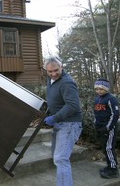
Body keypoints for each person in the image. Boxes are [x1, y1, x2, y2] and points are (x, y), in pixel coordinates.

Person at [43, 56, 82, 186]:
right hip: (60, 123)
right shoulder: (51, 80)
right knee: (57, 157)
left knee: (61, 159)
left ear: (62, 67)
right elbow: (56, 99)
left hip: (70, 124)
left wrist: (54, 117)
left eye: (56, 70)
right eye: (50, 71)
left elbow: (72, 105)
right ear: (46, 71)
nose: (53, 74)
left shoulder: (67, 82)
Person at [94, 78, 119, 178]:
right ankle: (109, 166)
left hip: (109, 128)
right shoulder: (97, 99)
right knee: (104, 147)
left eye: (101, 89)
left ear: (106, 89)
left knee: (109, 148)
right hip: (100, 127)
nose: (99, 91)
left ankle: (114, 170)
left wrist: (108, 127)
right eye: (97, 89)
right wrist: (96, 124)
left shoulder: (111, 99)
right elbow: (96, 113)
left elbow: (115, 114)